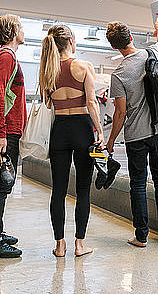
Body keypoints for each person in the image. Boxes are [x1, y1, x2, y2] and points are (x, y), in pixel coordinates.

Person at [105, 19, 158, 247]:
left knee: (138, 184)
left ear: (115, 47)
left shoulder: (119, 74)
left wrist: (111, 140)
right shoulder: (152, 53)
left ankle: (141, 236)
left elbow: (120, 112)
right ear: (131, 37)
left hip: (136, 136)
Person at [39, 25, 105, 257]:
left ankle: (59, 245)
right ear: (70, 41)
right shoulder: (83, 66)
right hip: (82, 130)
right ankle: (79, 244)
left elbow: (48, 104)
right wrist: (100, 132)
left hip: (60, 131)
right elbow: (92, 103)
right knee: (83, 190)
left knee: (58, 190)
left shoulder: (47, 70)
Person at [0, 14, 27, 258]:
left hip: (9, 130)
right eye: (20, 27)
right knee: (2, 185)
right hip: (6, 131)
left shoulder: (7, 55)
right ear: (12, 31)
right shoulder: (5, 56)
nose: (23, 31)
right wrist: (0, 131)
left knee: (4, 185)